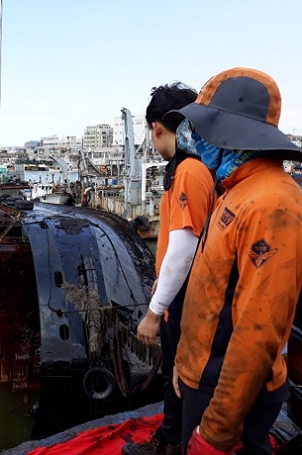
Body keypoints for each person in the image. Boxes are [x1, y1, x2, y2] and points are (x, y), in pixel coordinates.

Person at [170, 67, 302, 454]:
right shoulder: (234, 188)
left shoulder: (271, 203)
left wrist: (217, 431)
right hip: (204, 374)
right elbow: (210, 292)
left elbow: (258, 331)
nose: (197, 140)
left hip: (229, 391)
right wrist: (184, 361)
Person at [122, 83, 214, 455]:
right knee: (176, 375)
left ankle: (173, 443)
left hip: (186, 301)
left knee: (177, 376)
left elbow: (183, 249)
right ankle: (172, 438)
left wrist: (153, 313)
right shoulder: (193, 168)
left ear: (157, 127)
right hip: (185, 297)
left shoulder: (189, 173)